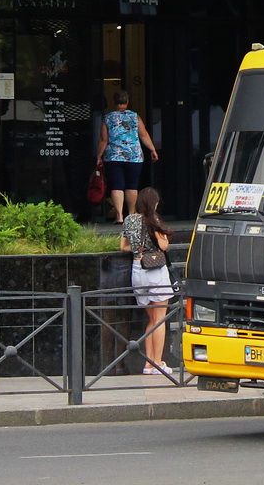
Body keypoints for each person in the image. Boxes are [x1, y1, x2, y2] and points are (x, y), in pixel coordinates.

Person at [121, 186, 173, 375]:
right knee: (160, 319)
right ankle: (158, 363)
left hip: (137, 270)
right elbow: (163, 246)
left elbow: (123, 246)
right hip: (155, 271)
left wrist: (138, 249)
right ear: (154, 203)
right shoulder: (154, 219)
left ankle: (148, 364)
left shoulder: (129, 220)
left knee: (151, 319)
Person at [96, 89, 158, 223]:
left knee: (117, 186)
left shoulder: (108, 118)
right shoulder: (135, 117)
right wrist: (152, 149)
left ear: (114, 102)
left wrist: (99, 156)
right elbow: (143, 134)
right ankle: (131, 214)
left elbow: (104, 140)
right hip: (134, 156)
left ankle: (119, 216)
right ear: (127, 102)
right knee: (132, 185)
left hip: (114, 156)